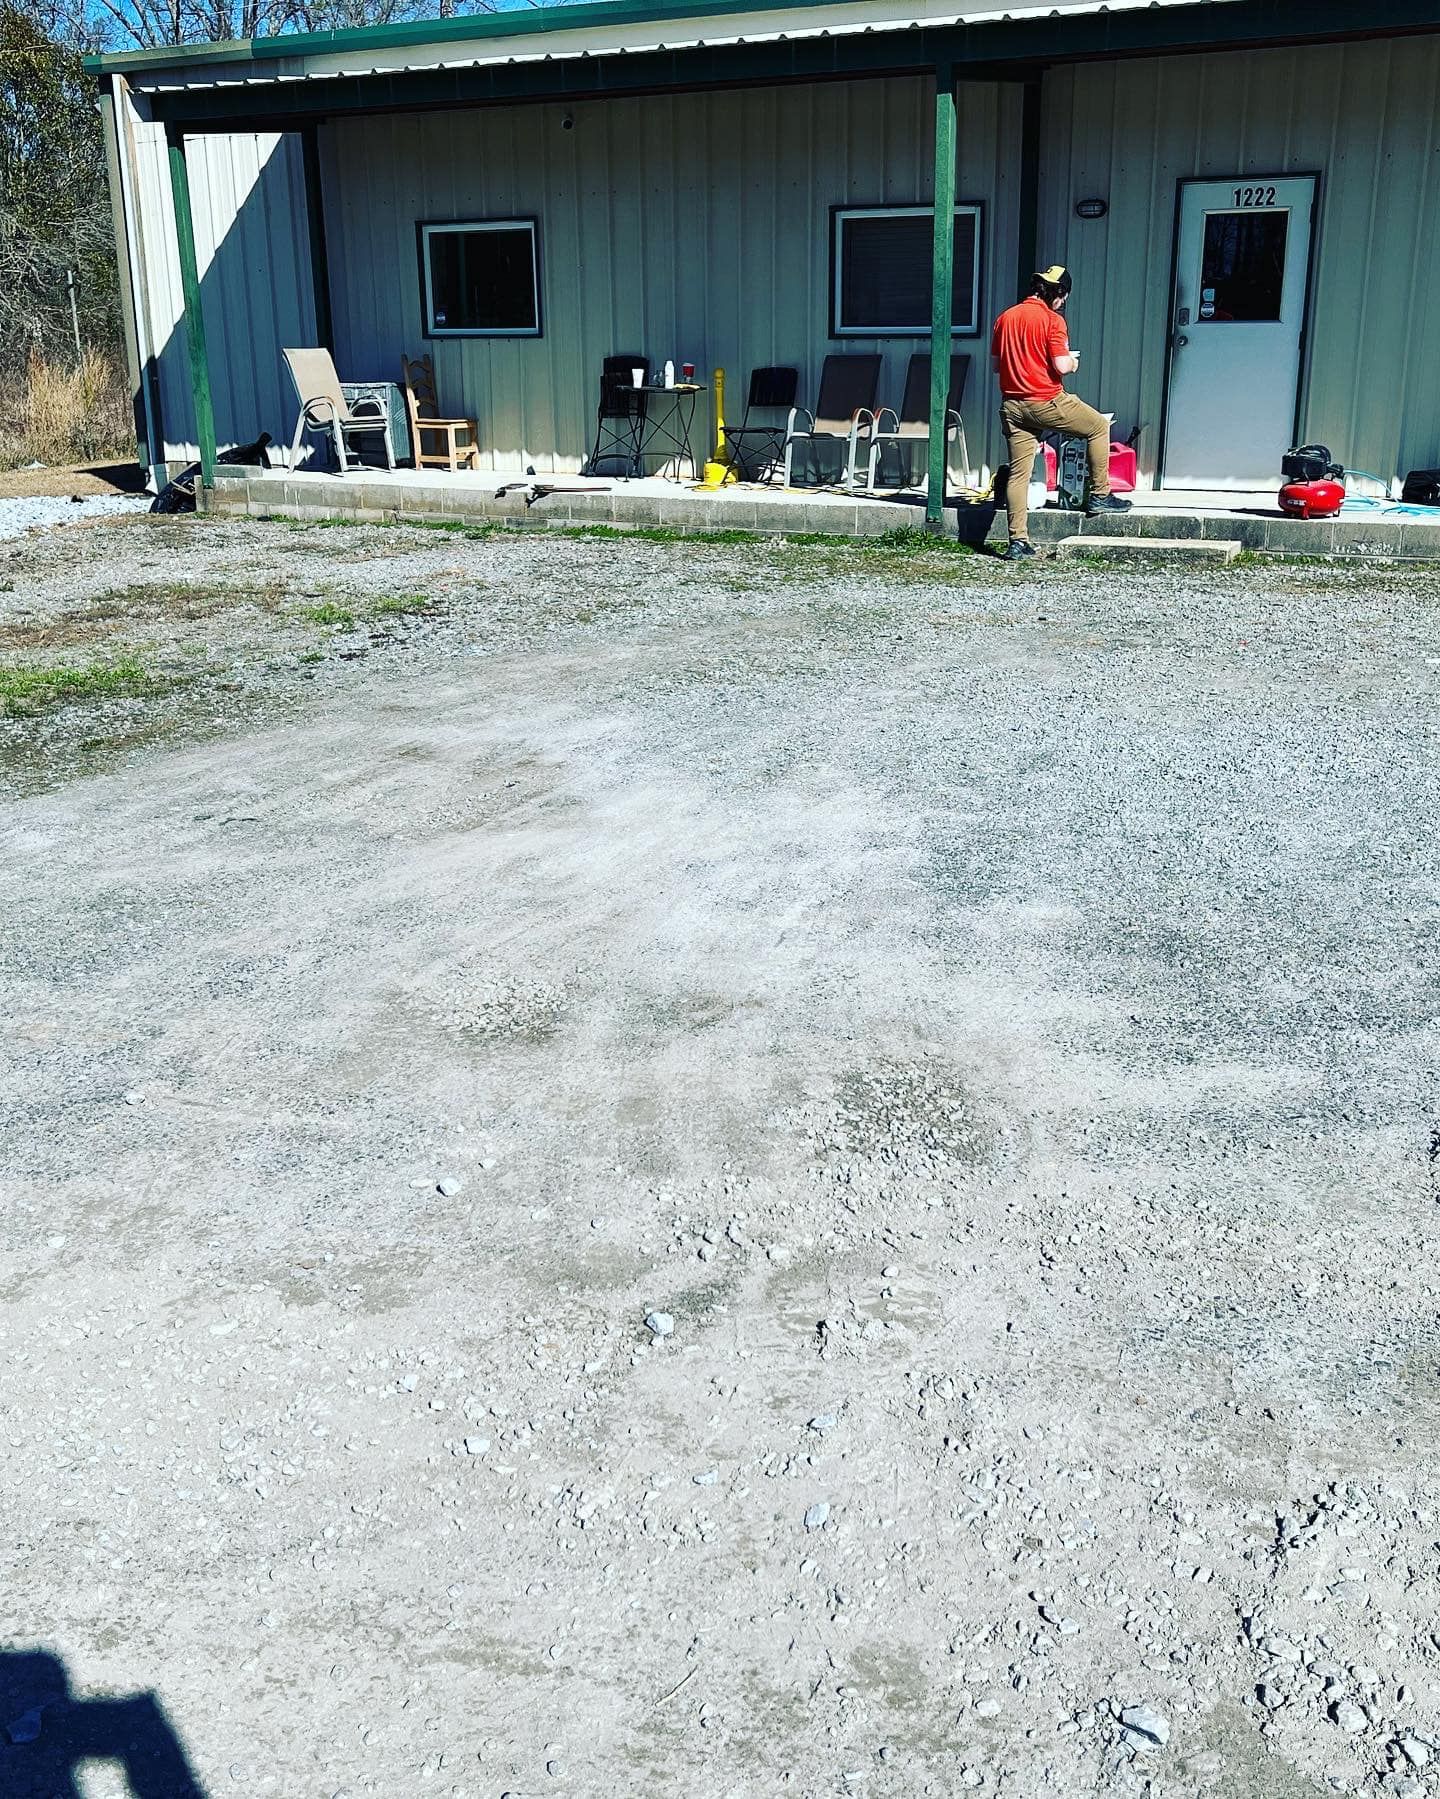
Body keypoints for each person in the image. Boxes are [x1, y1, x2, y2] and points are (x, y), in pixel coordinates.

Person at [990, 264, 1131, 561]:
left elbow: (996, 366)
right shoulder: (1053, 320)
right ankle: (1100, 495)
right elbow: (1061, 366)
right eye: (1063, 298)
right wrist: (1073, 362)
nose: (1063, 303)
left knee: (1019, 473)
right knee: (1098, 426)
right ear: (1059, 293)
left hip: (1012, 406)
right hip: (1046, 401)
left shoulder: (1005, 318)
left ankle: (1018, 542)